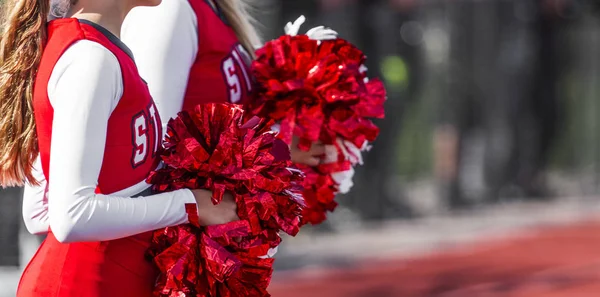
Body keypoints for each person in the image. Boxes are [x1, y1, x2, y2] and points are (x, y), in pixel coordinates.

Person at [0, 0, 239, 296]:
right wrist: (190, 205)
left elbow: (40, 210)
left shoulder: (93, 48)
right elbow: (70, 217)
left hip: (112, 279)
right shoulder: (89, 57)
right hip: (84, 284)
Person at [120, 0, 339, 168]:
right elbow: (153, 143)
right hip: (187, 219)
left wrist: (290, 130)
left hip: (219, 217)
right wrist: (272, 147)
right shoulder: (168, 8)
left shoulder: (215, 9)